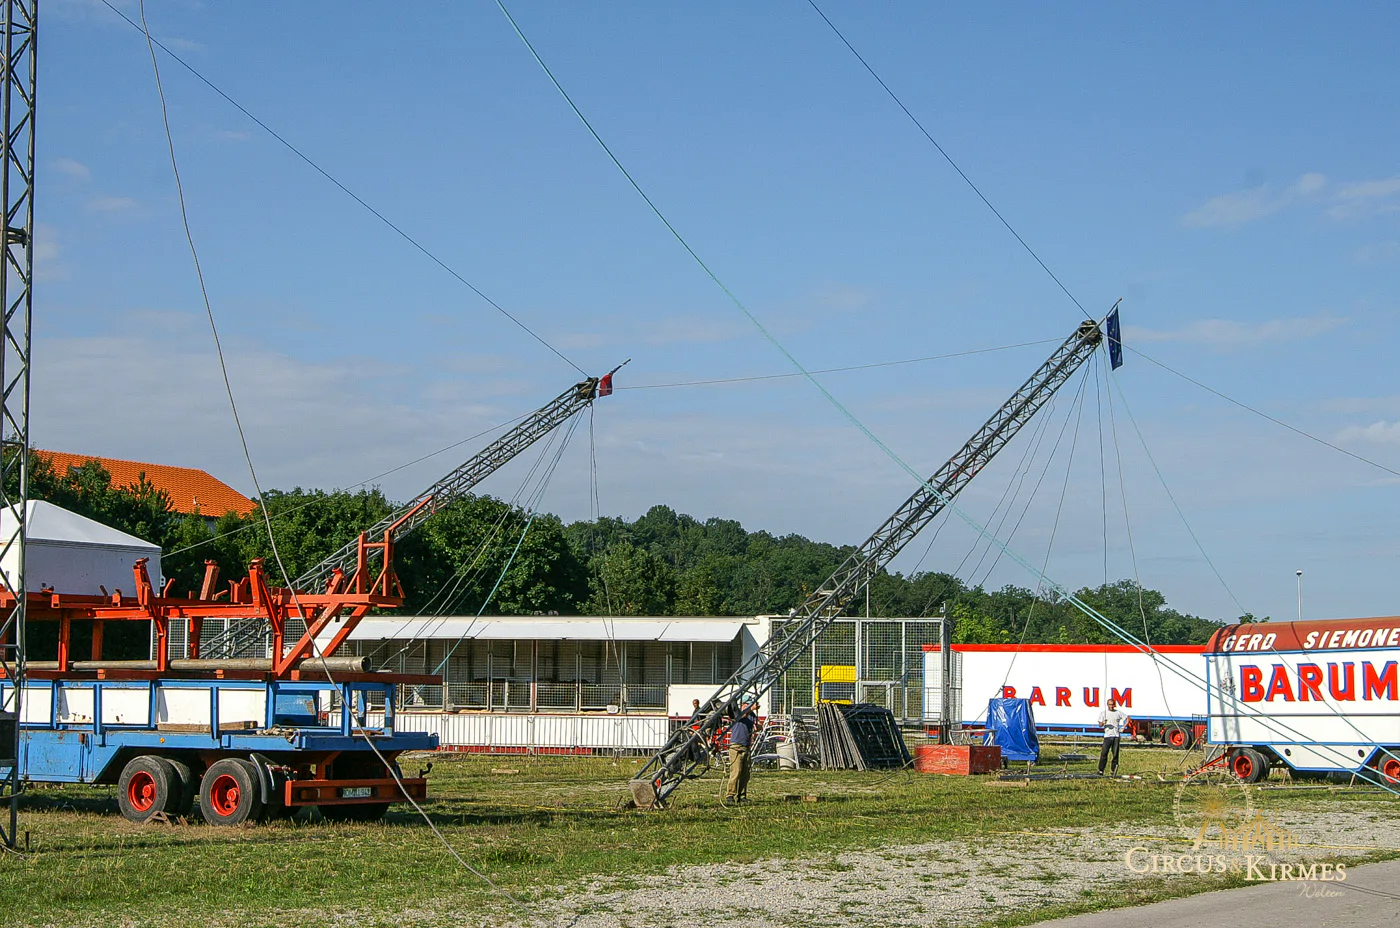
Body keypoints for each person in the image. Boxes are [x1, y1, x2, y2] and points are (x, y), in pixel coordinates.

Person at [725, 701, 758, 803]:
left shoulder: (752, 715)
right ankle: (730, 795)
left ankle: (742, 796)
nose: (747, 706)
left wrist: (758, 726)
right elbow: (743, 716)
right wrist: (751, 709)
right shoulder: (738, 713)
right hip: (736, 747)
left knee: (745, 773)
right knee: (736, 771)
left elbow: (757, 726)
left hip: (746, 746)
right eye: (746, 704)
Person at [1097, 697, 1129, 776]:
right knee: (1104, 753)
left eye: (1112, 704)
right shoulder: (1103, 713)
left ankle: (1113, 770)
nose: (1111, 706)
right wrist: (1103, 723)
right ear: (1107, 705)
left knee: (1115, 754)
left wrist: (1123, 727)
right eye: (1110, 704)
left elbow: (1128, 718)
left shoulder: (1118, 713)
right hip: (1107, 736)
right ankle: (1101, 770)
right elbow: (1100, 725)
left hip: (1116, 736)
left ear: (1114, 705)